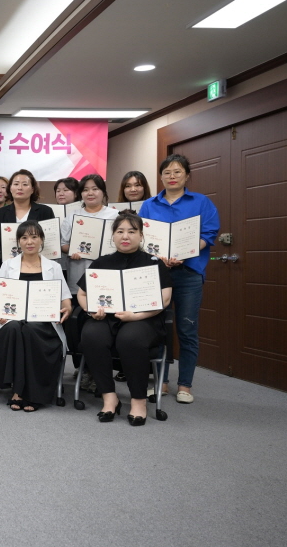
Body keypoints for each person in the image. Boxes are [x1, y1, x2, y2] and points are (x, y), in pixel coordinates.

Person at [77, 211, 173, 425]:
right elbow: (82, 294)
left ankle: (138, 400)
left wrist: (135, 315)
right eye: (120, 231)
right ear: (113, 236)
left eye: (132, 231)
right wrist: (91, 310)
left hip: (144, 318)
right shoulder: (102, 262)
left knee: (130, 338)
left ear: (141, 235)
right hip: (106, 317)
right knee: (91, 335)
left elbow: (165, 299)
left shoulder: (154, 263)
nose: (125, 236)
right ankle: (109, 397)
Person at [138, 154, 220, 403]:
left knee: (187, 328)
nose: (172, 177)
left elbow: (209, 233)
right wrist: (159, 257)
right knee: (157, 328)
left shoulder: (201, 202)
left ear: (187, 175)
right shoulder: (149, 204)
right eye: (167, 173)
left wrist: (185, 253)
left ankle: (185, 385)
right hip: (156, 273)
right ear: (161, 177)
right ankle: (161, 382)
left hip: (189, 273)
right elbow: (141, 236)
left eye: (177, 172)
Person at [0, 221, 72, 412]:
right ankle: (18, 390)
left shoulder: (53, 267)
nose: (29, 242)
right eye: (24, 237)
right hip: (12, 323)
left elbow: (66, 301)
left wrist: (66, 310)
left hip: (43, 325)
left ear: (41, 240)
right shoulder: (8, 265)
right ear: (18, 242)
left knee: (30, 329)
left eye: (34, 237)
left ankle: (32, 393)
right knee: (16, 328)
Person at [60, 174, 118, 390]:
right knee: (77, 326)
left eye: (95, 189)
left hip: (106, 279)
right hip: (78, 278)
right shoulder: (73, 216)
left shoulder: (114, 216)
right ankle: (82, 368)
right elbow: (62, 244)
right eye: (85, 189)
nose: (90, 193)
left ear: (103, 192)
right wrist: (72, 250)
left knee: (102, 326)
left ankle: (99, 370)